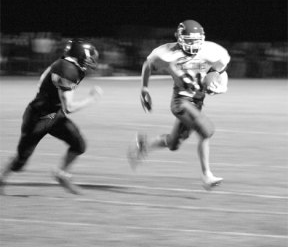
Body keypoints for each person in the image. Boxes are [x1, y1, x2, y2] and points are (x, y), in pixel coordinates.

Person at [127, 20, 230, 190]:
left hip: (196, 102)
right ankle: (207, 175)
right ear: (180, 38)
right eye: (189, 40)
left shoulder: (211, 50)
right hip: (181, 101)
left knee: (174, 143)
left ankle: (142, 145)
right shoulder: (167, 53)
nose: (193, 44)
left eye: (196, 40)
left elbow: (220, 67)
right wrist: (144, 88)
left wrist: (217, 81)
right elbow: (148, 65)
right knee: (206, 130)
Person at [0, 38, 103, 195]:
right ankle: (1, 178)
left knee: (79, 145)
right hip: (38, 117)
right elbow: (69, 107)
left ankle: (61, 174)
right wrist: (91, 99)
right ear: (80, 55)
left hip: (54, 114)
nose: (90, 62)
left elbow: (48, 84)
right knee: (20, 161)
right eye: (89, 58)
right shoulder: (67, 69)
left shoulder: (68, 65)